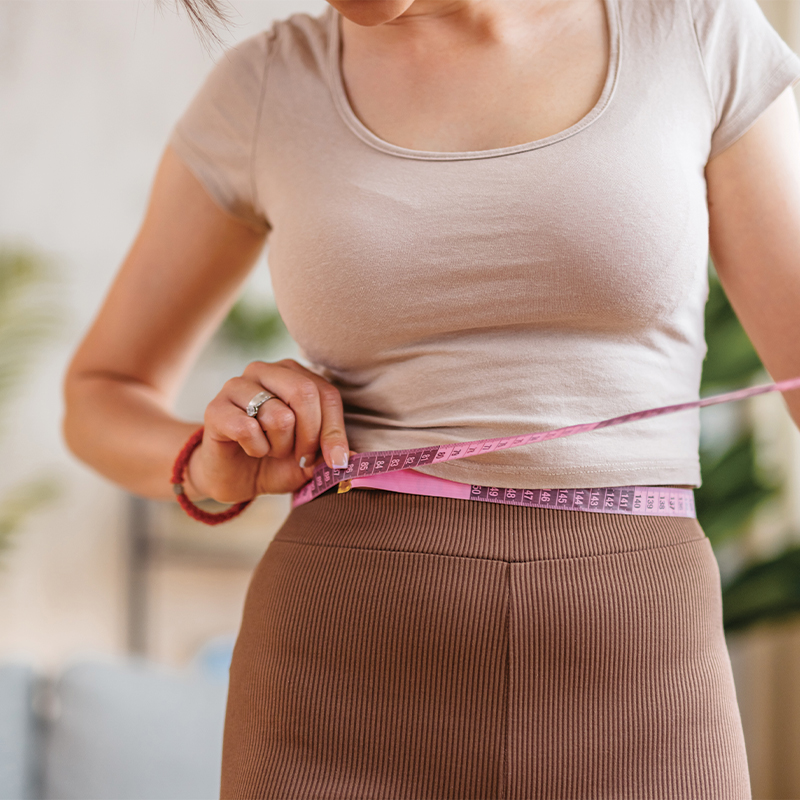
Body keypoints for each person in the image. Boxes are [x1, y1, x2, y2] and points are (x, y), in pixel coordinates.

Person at [63, 0, 800, 797]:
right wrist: (207, 465)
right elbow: (101, 395)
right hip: (331, 680)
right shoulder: (269, 86)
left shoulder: (694, 30)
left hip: (642, 665)